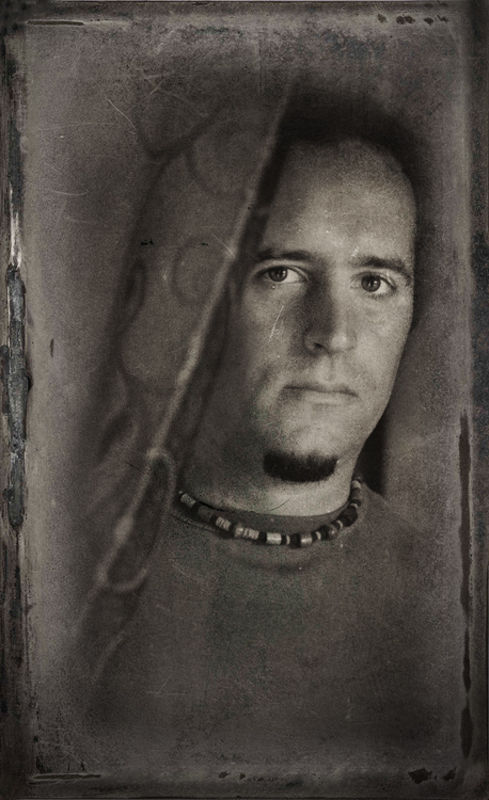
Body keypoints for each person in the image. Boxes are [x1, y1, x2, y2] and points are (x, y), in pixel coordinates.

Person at [84, 109, 462, 791]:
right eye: (282, 272)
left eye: (374, 282)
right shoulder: (69, 586)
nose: (332, 334)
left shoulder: (455, 612)